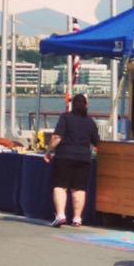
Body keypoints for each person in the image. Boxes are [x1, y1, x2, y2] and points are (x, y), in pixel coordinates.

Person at [45, 92, 99, 227]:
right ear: (86, 106)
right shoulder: (90, 122)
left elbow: (57, 138)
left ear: (72, 105)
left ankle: (61, 215)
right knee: (79, 188)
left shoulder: (65, 117)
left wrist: (48, 151)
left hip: (65, 156)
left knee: (60, 186)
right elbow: (97, 142)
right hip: (84, 158)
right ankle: (77, 218)